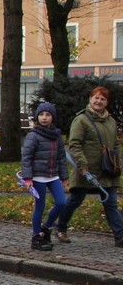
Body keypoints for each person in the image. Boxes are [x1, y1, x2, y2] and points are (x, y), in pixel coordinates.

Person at [55, 86, 123, 247]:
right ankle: (60, 227)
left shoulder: (111, 121)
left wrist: (117, 162)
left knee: (111, 203)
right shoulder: (81, 120)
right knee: (75, 200)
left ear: (107, 102)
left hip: (107, 169)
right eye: (96, 98)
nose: (99, 101)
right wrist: (82, 165)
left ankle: (120, 236)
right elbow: (74, 144)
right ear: (90, 99)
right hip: (86, 170)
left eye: (103, 99)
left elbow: (115, 144)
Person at [20, 101, 68, 251]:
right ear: (37, 117)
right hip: (38, 177)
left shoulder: (56, 136)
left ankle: (46, 227)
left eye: (48, 115)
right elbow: (26, 158)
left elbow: (61, 158)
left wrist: (64, 178)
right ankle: (36, 237)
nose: (44, 117)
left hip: (53, 176)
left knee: (62, 202)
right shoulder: (33, 135)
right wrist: (28, 178)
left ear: (53, 117)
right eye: (41, 114)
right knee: (40, 207)